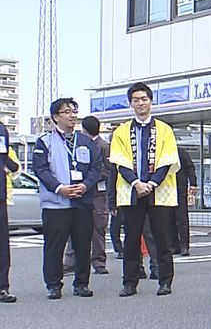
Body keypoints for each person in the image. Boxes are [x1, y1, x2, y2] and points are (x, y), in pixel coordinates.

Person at [110, 82, 181, 297]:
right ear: (130, 103)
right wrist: (135, 183)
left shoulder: (164, 129)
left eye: (144, 99)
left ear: (151, 101)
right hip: (131, 191)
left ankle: (165, 280)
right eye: (136, 100)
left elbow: (168, 159)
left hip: (158, 191)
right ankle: (130, 282)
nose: (140, 103)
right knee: (131, 239)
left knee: (162, 238)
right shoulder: (122, 131)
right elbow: (119, 161)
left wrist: (151, 183)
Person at [31, 98, 104, 299]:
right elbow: (40, 169)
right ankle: (53, 285)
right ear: (56, 117)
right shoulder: (45, 141)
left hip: (82, 202)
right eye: (67, 112)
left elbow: (96, 167)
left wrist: (85, 185)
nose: (72, 115)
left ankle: (82, 284)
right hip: (56, 204)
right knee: (54, 246)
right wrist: (59, 188)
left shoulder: (86, 141)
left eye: (74, 111)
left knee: (82, 245)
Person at [64, 116, 111, 276]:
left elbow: (109, 170)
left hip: (97, 193)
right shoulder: (77, 143)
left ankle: (99, 262)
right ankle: (70, 261)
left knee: (98, 228)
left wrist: (90, 178)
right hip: (79, 192)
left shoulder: (103, 146)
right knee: (74, 226)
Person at [0, 119, 20, 303]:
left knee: (1, 243)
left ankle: (2, 287)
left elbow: (3, 155)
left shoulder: (1, 129)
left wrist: (12, 166)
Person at [174, 148, 196, 255]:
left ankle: (184, 246)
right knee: (168, 220)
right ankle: (174, 246)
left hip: (180, 189)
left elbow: (190, 168)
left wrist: (193, 183)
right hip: (166, 190)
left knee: (181, 219)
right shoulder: (162, 151)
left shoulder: (180, 152)